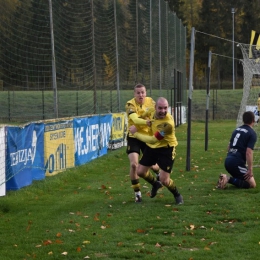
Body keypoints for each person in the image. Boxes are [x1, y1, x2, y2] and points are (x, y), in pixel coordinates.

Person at [129, 97, 184, 205]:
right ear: (155, 107)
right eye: (160, 108)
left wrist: (135, 133)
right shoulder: (151, 110)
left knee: (165, 180)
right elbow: (142, 116)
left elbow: (153, 140)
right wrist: (143, 123)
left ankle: (177, 194)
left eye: (165, 108)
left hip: (166, 149)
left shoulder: (168, 125)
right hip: (152, 148)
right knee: (140, 172)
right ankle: (155, 184)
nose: (163, 111)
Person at [125, 83, 161, 203]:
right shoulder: (130, 104)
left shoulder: (151, 102)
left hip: (147, 137)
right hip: (133, 137)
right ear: (134, 94)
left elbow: (157, 116)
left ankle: (157, 177)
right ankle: (137, 194)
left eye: (143, 92)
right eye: (138, 93)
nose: (141, 95)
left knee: (152, 165)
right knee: (134, 165)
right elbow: (135, 119)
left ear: (146, 93)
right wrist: (147, 123)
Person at [217, 111, 257, 189]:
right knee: (252, 184)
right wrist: (250, 169)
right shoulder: (252, 133)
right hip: (236, 163)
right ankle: (227, 179)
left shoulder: (236, 130)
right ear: (253, 120)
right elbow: (249, 152)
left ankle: (224, 180)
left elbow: (228, 147)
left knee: (242, 179)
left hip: (228, 160)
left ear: (243, 120)